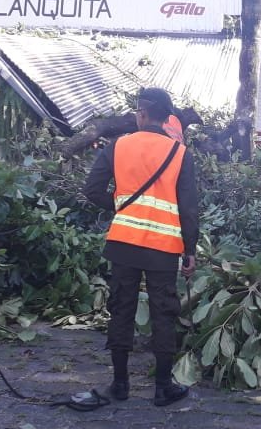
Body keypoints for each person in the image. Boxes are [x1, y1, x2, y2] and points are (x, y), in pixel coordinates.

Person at [83, 87, 199, 407]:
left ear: (142, 114)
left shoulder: (117, 146)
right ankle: (163, 387)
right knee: (164, 313)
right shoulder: (179, 154)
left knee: (121, 310)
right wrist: (190, 250)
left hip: (124, 243)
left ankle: (119, 385)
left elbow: (92, 190)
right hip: (164, 246)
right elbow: (189, 208)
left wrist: (121, 206)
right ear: (166, 118)